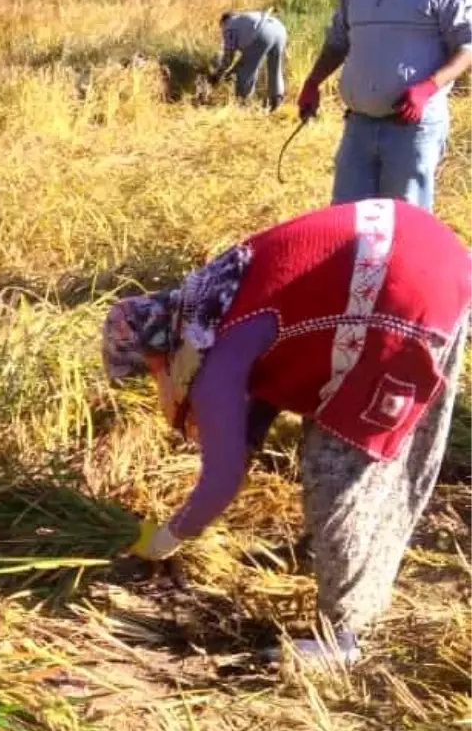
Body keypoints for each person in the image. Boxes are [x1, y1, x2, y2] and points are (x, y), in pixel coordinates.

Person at [101, 199, 471, 664]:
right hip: (426, 249)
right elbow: (274, 367)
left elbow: (222, 481)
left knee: (338, 472)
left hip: (400, 292)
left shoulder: (213, 361)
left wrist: (165, 540)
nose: (155, 381)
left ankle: (344, 637)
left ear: (156, 352)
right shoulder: (211, 301)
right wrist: (239, 435)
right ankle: (340, 559)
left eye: (147, 372)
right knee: (371, 454)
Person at [297, 0, 472, 211]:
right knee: (348, 222)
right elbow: (338, 42)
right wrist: (312, 82)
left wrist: (427, 88)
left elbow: (467, 45)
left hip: (412, 129)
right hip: (359, 125)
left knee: (403, 225)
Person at [209, 8, 287, 109]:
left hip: (262, 32)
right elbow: (246, 55)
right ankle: (276, 101)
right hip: (279, 29)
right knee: (275, 68)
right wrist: (231, 70)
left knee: (246, 71)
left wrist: (217, 75)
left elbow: (228, 59)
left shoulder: (229, 27)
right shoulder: (244, 20)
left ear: (223, 22)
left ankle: (243, 104)